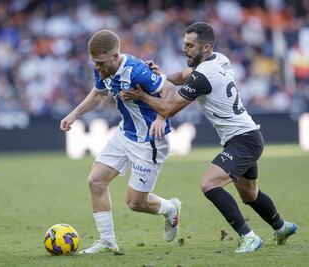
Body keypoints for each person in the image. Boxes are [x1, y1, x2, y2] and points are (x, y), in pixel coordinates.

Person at [121, 22, 298, 253]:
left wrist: (142, 95)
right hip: (247, 135)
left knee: (209, 184)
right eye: (184, 44)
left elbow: (167, 108)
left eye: (190, 45)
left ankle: (248, 236)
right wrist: (160, 77)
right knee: (250, 193)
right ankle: (281, 226)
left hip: (243, 139)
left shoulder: (204, 76)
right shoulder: (219, 59)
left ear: (206, 47)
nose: (184, 49)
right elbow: (186, 75)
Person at [59, 30, 181, 254]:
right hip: (125, 134)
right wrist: (74, 114)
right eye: (95, 63)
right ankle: (107, 241)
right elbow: (98, 94)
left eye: (102, 62)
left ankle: (171, 209)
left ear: (116, 56)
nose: (99, 68)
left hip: (149, 141)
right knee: (95, 181)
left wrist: (162, 117)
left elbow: (171, 91)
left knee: (135, 204)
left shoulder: (138, 71)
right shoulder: (103, 69)